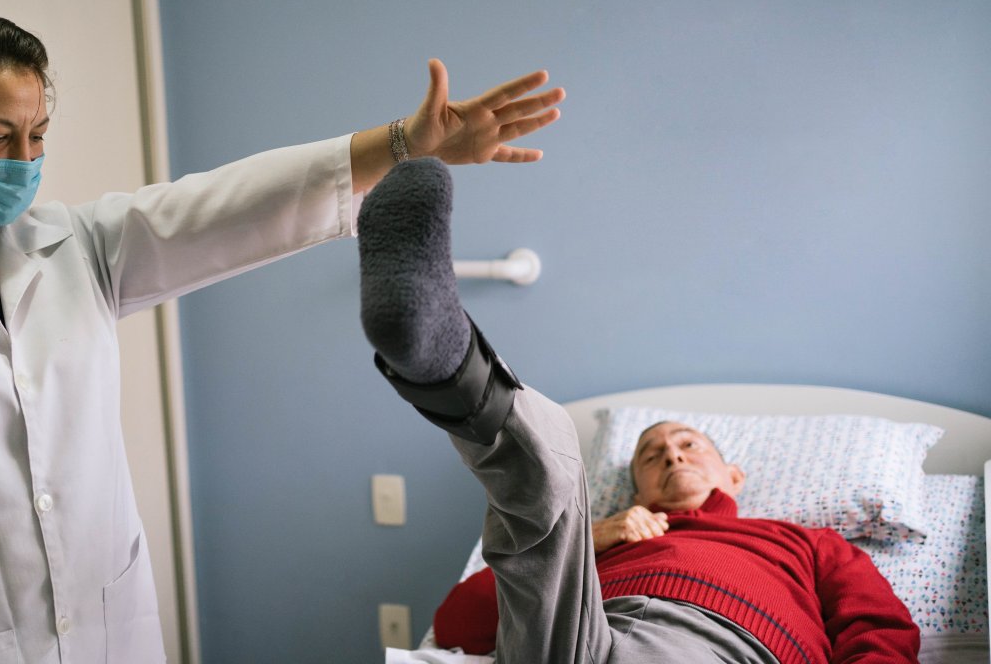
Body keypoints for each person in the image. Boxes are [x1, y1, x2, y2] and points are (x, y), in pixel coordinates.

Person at [0, 12, 564, 663]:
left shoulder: (76, 248)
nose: (21, 159)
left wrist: (408, 143)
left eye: (37, 136)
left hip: (106, 634)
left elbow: (226, 203)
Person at [356, 158, 920, 664]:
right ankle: (442, 358)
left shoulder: (804, 542)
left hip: (718, 648)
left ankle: (448, 365)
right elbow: (457, 626)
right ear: (638, 488)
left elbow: (880, 630)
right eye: (652, 454)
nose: (672, 453)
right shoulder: (600, 541)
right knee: (551, 471)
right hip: (582, 641)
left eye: (689, 444)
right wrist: (598, 536)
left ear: (735, 475)